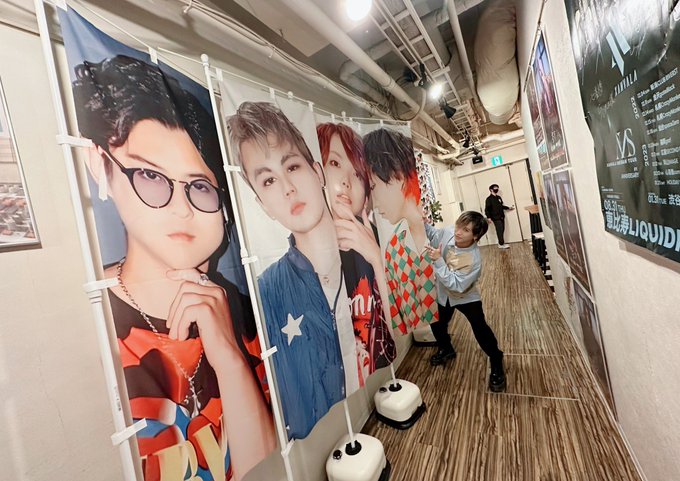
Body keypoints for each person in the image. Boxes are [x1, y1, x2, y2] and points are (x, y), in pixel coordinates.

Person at [72, 55, 276, 481]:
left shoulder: (236, 306)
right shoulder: (91, 324)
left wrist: (230, 360)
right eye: (150, 176)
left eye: (199, 186)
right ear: (100, 166)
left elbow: (266, 463)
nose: (181, 209)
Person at [227, 102, 359, 440]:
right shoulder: (266, 292)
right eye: (269, 180)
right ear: (262, 204)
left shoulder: (362, 256)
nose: (287, 187)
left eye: (292, 166)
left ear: (317, 172)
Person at [316, 122, 397, 385]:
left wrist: (375, 257)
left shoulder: (378, 237)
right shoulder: (301, 250)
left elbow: (398, 327)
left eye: (358, 174)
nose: (346, 182)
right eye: (335, 163)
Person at [363, 127, 438, 334]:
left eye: (373, 187)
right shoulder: (393, 249)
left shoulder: (434, 238)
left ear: (399, 176)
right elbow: (398, 313)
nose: (374, 203)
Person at [423, 211, 506, 392]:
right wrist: (421, 221)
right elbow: (434, 235)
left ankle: (496, 359)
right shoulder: (449, 232)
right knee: (437, 322)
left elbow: (456, 285)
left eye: (465, 230)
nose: (458, 232)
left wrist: (438, 261)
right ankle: (446, 349)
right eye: (459, 225)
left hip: (465, 296)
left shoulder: (473, 260)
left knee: (480, 328)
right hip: (443, 293)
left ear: (476, 236)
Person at [485, 183, 514, 249]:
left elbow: (501, 206)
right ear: (491, 190)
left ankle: (501, 243)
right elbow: (487, 209)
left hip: (501, 216)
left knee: (502, 229)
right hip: (495, 218)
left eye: (497, 188)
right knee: (499, 230)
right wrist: (488, 217)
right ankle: (501, 244)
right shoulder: (489, 199)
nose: (497, 189)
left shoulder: (498, 197)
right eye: (495, 188)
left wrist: (508, 208)